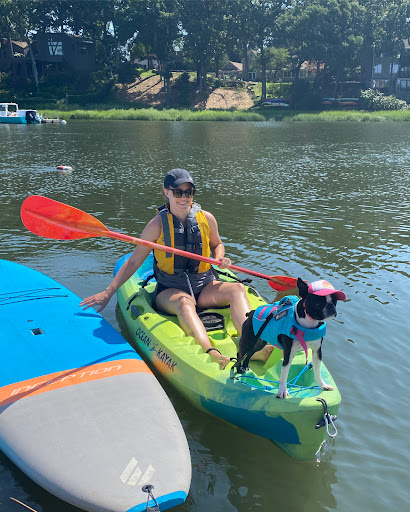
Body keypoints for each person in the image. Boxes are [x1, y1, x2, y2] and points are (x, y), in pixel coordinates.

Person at [79, 168, 252, 369]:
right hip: (170, 288)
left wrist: (219, 258)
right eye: (178, 192)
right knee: (184, 302)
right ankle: (210, 352)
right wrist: (108, 292)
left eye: (189, 193)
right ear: (166, 192)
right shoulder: (156, 226)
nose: (183, 198)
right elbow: (134, 261)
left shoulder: (207, 218)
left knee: (237, 289)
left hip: (204, 283)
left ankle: (250, 342)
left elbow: (217, 244)